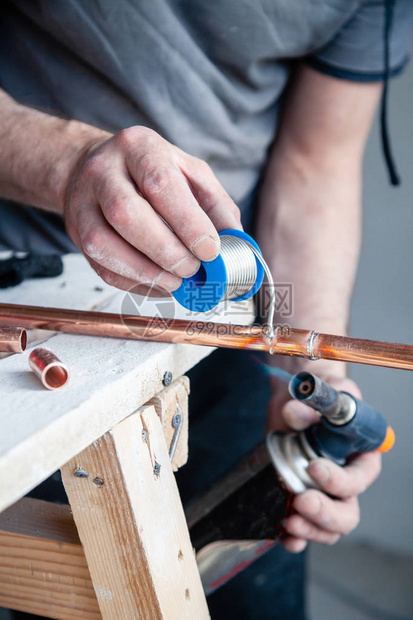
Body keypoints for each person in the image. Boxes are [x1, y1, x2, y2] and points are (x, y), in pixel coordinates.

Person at [0, 2, 412, 618]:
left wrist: (315, 381)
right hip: (27, 296)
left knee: (241, 587)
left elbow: (312, 169)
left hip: (215, 326)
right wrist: (67, 163)